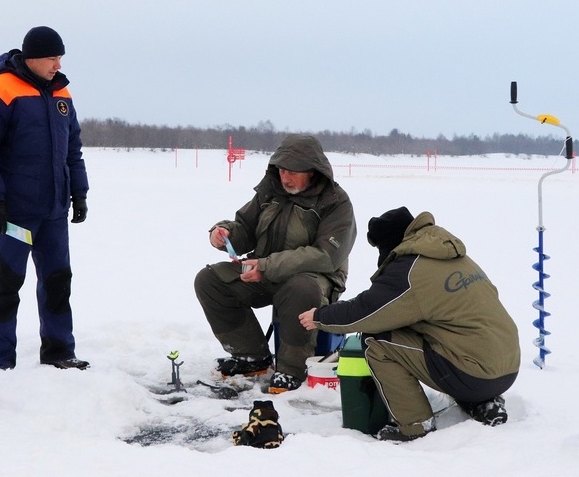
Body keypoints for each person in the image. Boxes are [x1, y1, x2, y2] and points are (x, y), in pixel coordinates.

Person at [300, 207, 520, 441]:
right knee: (429, 331)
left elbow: (366, 311)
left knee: (376, 341)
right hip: (506, 367)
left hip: (474, 374)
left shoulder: (410, 270)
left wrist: (320, 316)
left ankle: (416, 425)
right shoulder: (451, 255)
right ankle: (484, 402)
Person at [195, 134, 357, 393]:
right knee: (211, 281)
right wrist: (223, 233)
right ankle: (252, 358)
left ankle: (293, 369)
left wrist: (267, 266)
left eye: (293, 171)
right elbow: (245, 228)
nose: (285, 177)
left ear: (313, 172)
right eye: (282, 170)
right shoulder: (270, 192)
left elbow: (326, 256)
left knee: (300, 288)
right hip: (265, 272)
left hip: (315, 280)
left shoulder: (336, 202)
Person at [0, 26, 90, 371]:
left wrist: (79, 193)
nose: (58, 64)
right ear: (33, 57)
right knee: (7, 284)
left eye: (60, 57)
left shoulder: (61, 93)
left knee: (57, 283)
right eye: (52, 58)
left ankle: (59, 351)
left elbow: (73, 149)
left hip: (54, 211)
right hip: (15, 215)